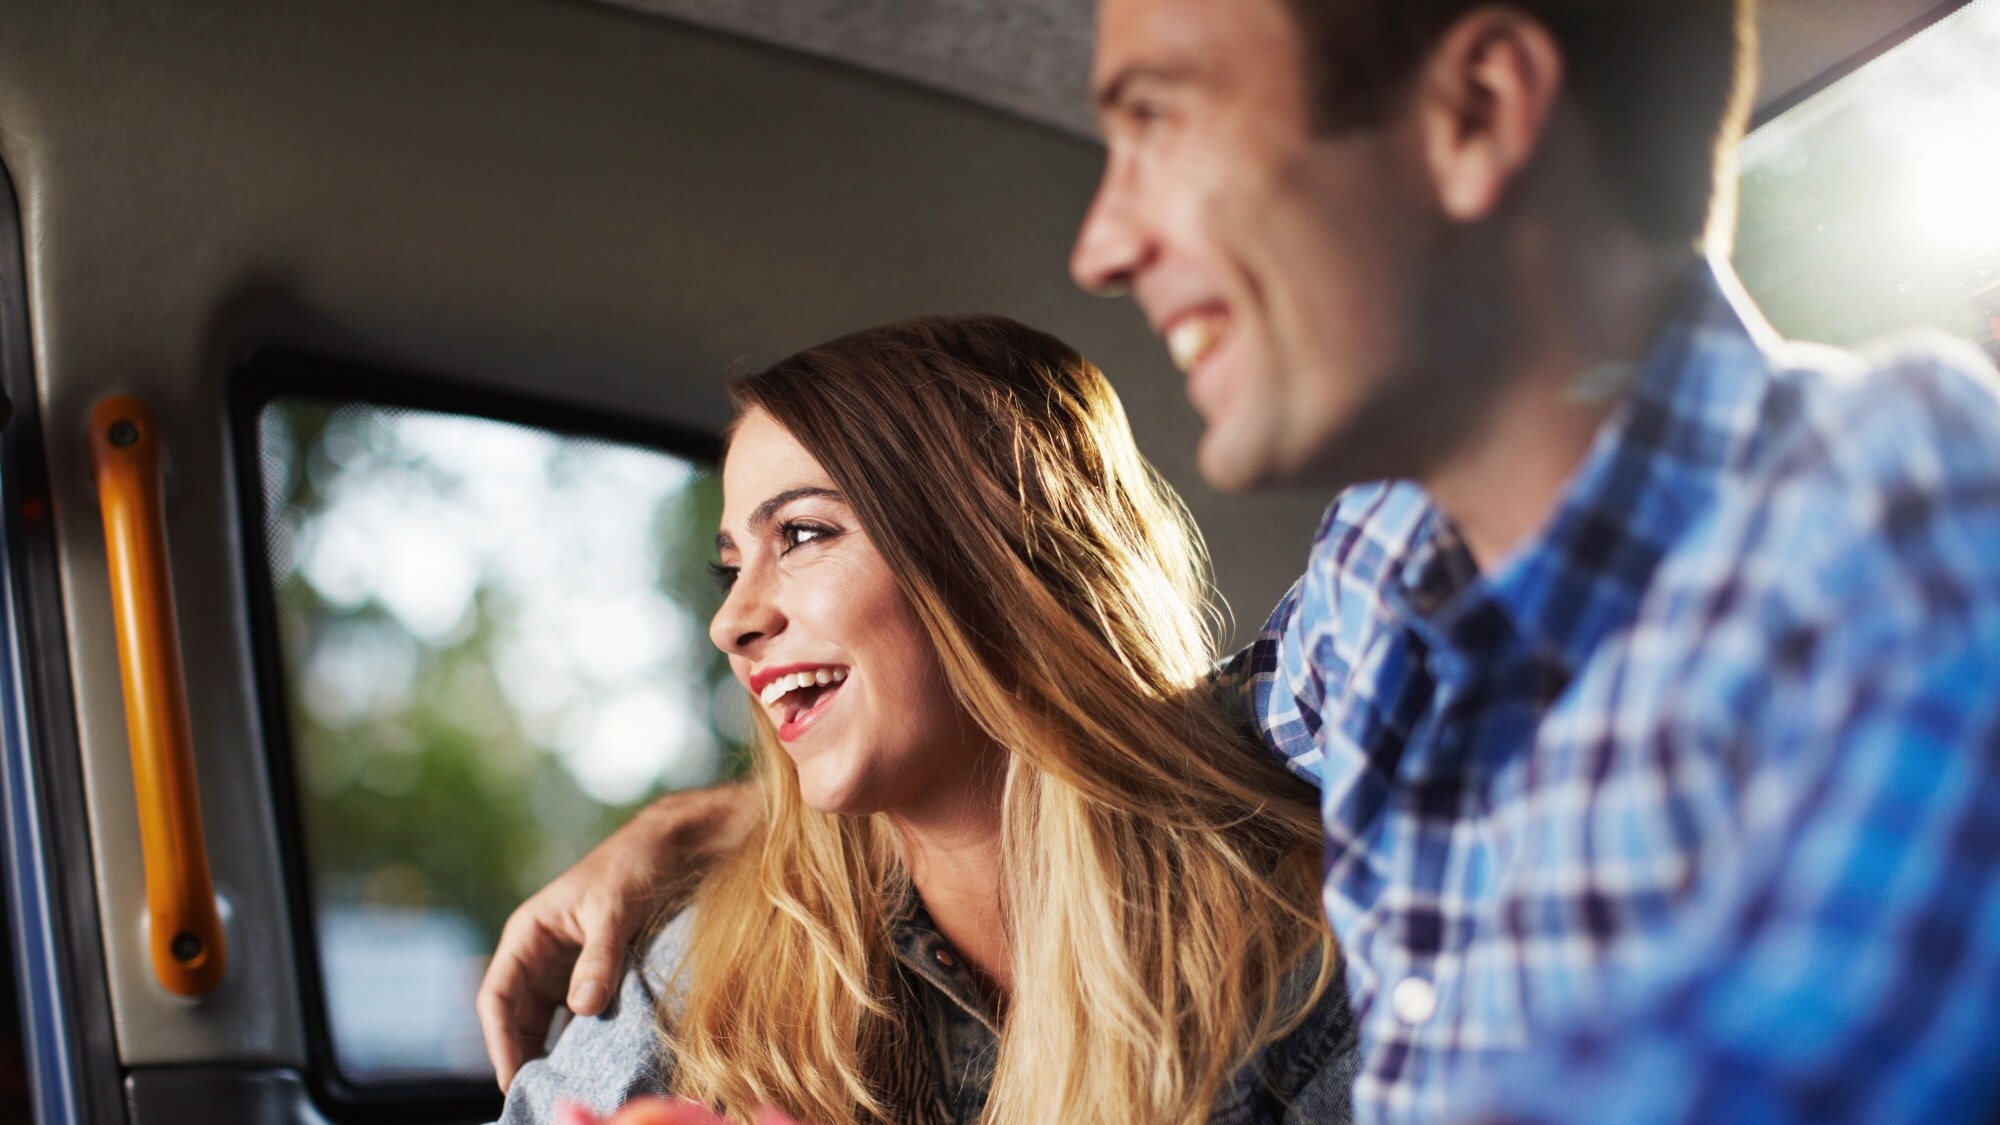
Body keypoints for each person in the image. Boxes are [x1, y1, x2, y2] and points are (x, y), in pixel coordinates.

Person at [486, 0, 2000, 1120]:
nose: (1102, 245)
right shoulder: (1388, 574)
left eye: (1160, 121)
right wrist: (730, 818)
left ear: (1475, 112)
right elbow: (1134, 738)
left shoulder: (1898, 559)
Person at [497, 316, 1357, 1125]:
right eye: (731, 567)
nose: (732, 621)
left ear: (1001, 550)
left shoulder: (1311, 950)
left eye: (801, 534)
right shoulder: (718, 954)